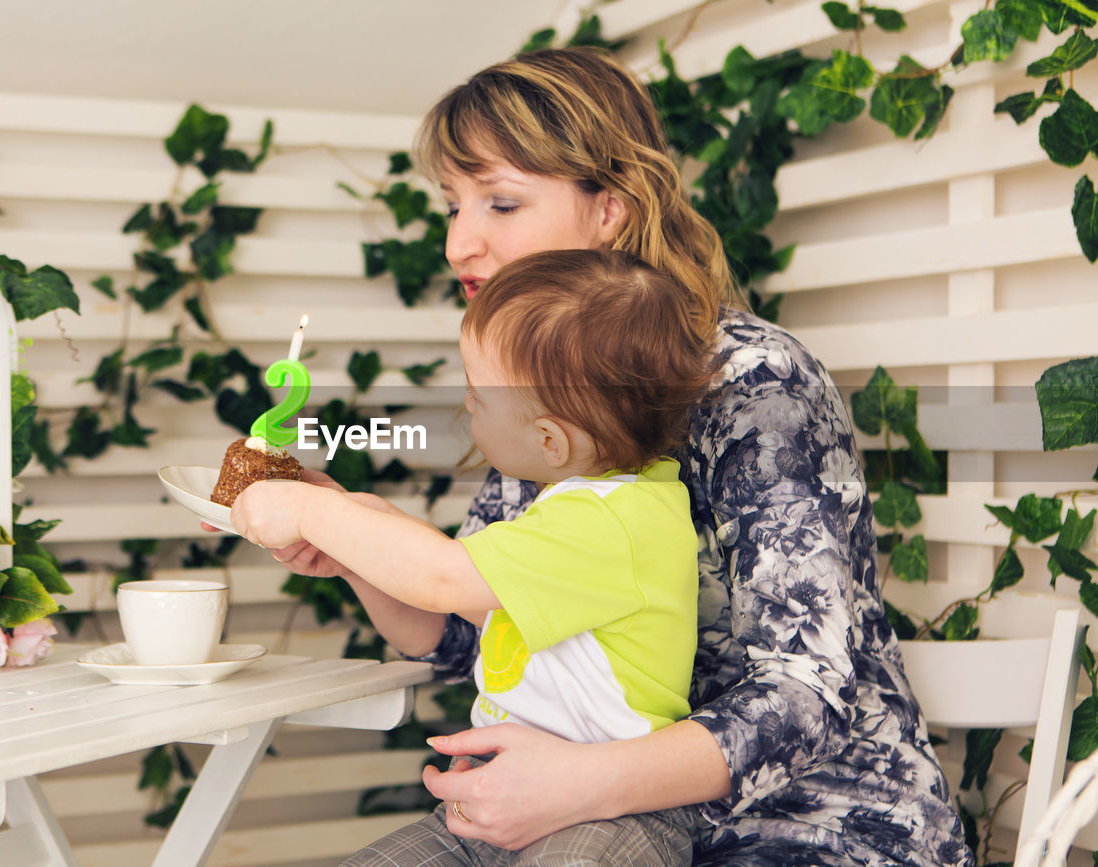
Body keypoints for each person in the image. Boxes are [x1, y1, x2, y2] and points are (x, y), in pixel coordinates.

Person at [267, 47, 974, 866]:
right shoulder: (545, 386)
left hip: (812, 831)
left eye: (500, 203)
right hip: (573, 824)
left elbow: (803, 698)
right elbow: (479, 632)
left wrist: (579, 784)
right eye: (453, 205)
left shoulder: (759, 381)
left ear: (612, 208)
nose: (460, 242)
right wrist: (350, 542)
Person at [232, 248, 713, 863]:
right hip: (494, 806)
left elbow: (441, 576)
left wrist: (311, 513)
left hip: (610, 818)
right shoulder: (568, 513)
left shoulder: (617, 521)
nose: (466, 405)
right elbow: (442, 616)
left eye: (477, 395)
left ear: (549, 440)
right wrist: (351, 542)